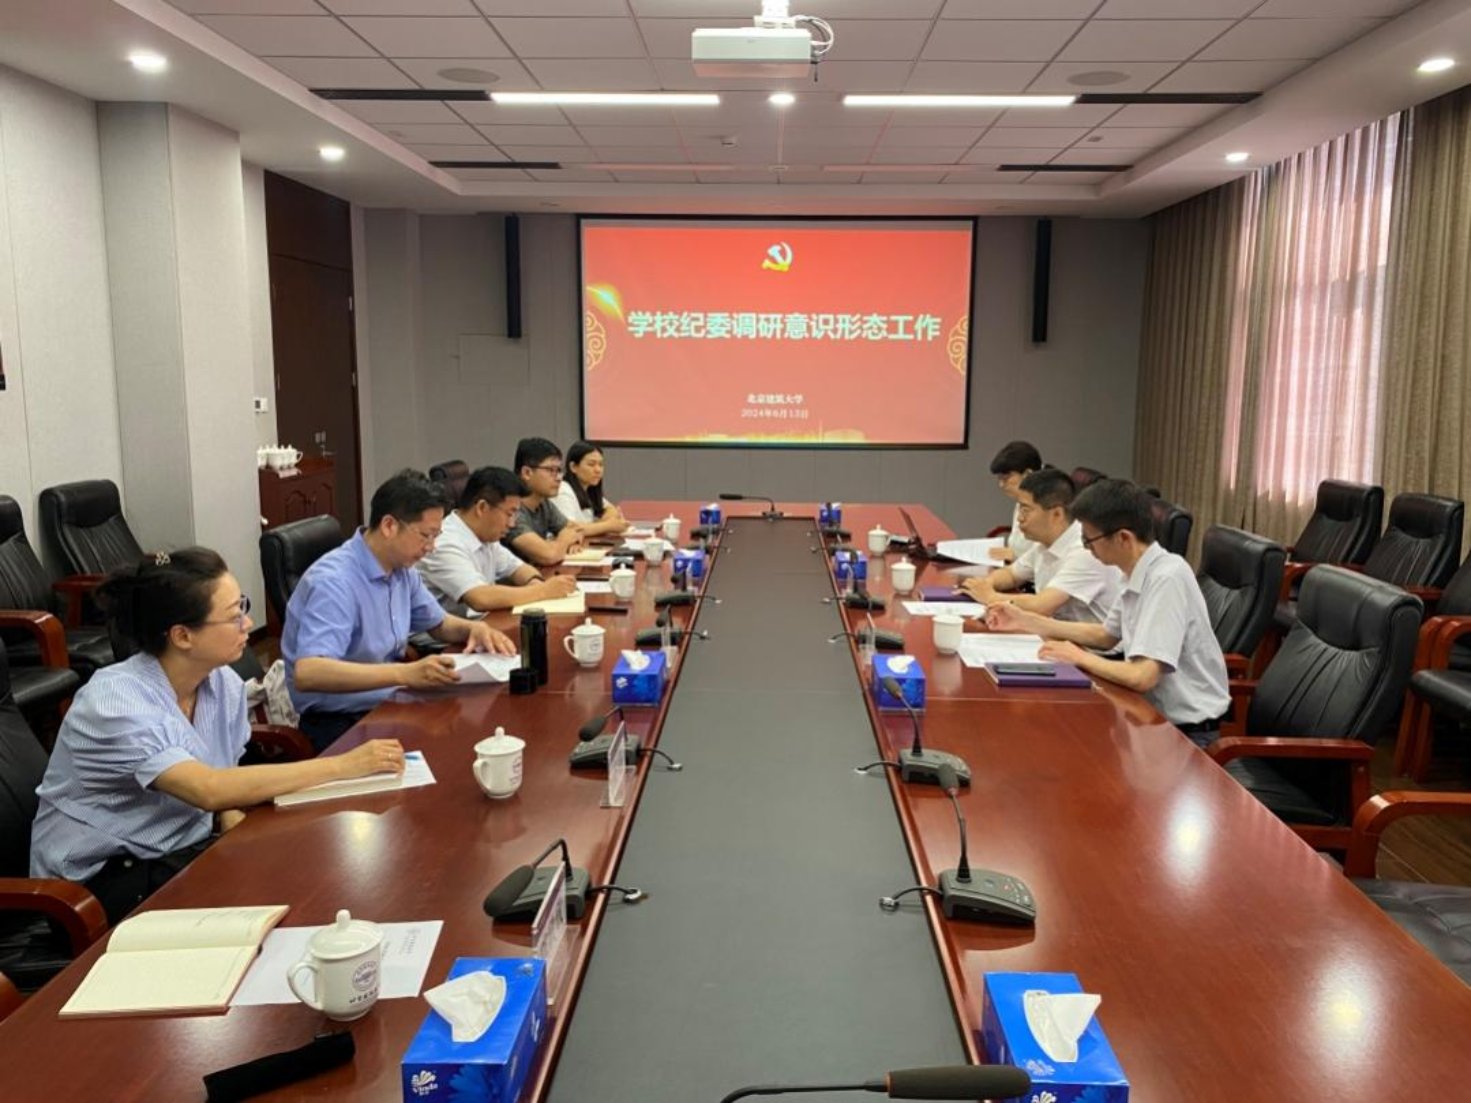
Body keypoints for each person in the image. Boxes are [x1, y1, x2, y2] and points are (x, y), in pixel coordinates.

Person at [29, 548, 408, 925]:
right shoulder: (113, 701)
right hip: (99, 882)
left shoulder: (220, 682)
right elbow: (207, 788)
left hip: (180, 849)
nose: (248, 623)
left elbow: (222, 776)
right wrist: (344, 765)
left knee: (319, 866)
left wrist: (227, 816)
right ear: (182, 636)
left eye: (243, 606)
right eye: (233, 615)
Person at [985, 478, 1230, 746]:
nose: (1086, 548)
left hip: (1186, 733)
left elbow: (1142, 676)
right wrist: (1027, 621)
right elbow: (1105, 635)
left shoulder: (1166, 578)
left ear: (1123, 538)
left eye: (1089, 540)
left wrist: (1079, 657)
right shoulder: (1134, 569)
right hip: (1145, 715)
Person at [283, 471, 516, 751]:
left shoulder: (400, 568)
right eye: (426, 536)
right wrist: (404, 674)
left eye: (436, 536)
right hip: (340, 721)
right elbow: (309, 672)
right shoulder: (334, 582)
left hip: (388, 701)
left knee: (474, 731)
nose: (431, 548)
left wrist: (474, 629)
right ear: (389, 525)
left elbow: (438, 623)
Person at [960, 467, 1123, 623]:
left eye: (1026, 510)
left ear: (1056, 514)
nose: (1020, 519)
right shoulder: (1045, 542)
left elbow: (1041, 605)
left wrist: (991, 597)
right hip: (1055, 632)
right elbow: (1012, 574)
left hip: (1087, 641)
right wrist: (987, 583)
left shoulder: (1085, 550)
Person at [418, 465, 579, 616]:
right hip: (447, 634)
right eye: (509, 514)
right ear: (482, 508)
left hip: (479, 624)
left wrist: (535, 582)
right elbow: (480, 598)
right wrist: (543, 591)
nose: (512, 523)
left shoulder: (485, 535)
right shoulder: (444, 542)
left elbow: (517, 568)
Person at [504, 437, 584, 567]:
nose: (559, 478)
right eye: (551, 470)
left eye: (559, 470)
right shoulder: (511, 510)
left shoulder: (544, 503)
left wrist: (569, 542)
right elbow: (549, 556)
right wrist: (564, 541)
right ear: (527, 473)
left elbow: (575, 529)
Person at [553, 441, 629, 539]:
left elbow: (611, 509)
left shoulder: (589, 488)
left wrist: (604, 523)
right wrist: (608, 526)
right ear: (573, 467)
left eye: (601, 464)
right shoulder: (563, 491)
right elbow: (569, 530)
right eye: (591, 464)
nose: (598, 470)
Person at [988, 440, 1042, 563]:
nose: (1001, 484)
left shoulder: (1045, 505)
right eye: (999, 478)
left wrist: (1014, 555)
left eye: (1006, 478)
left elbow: (1043, 557)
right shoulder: (1021, 500)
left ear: (1027, 474)